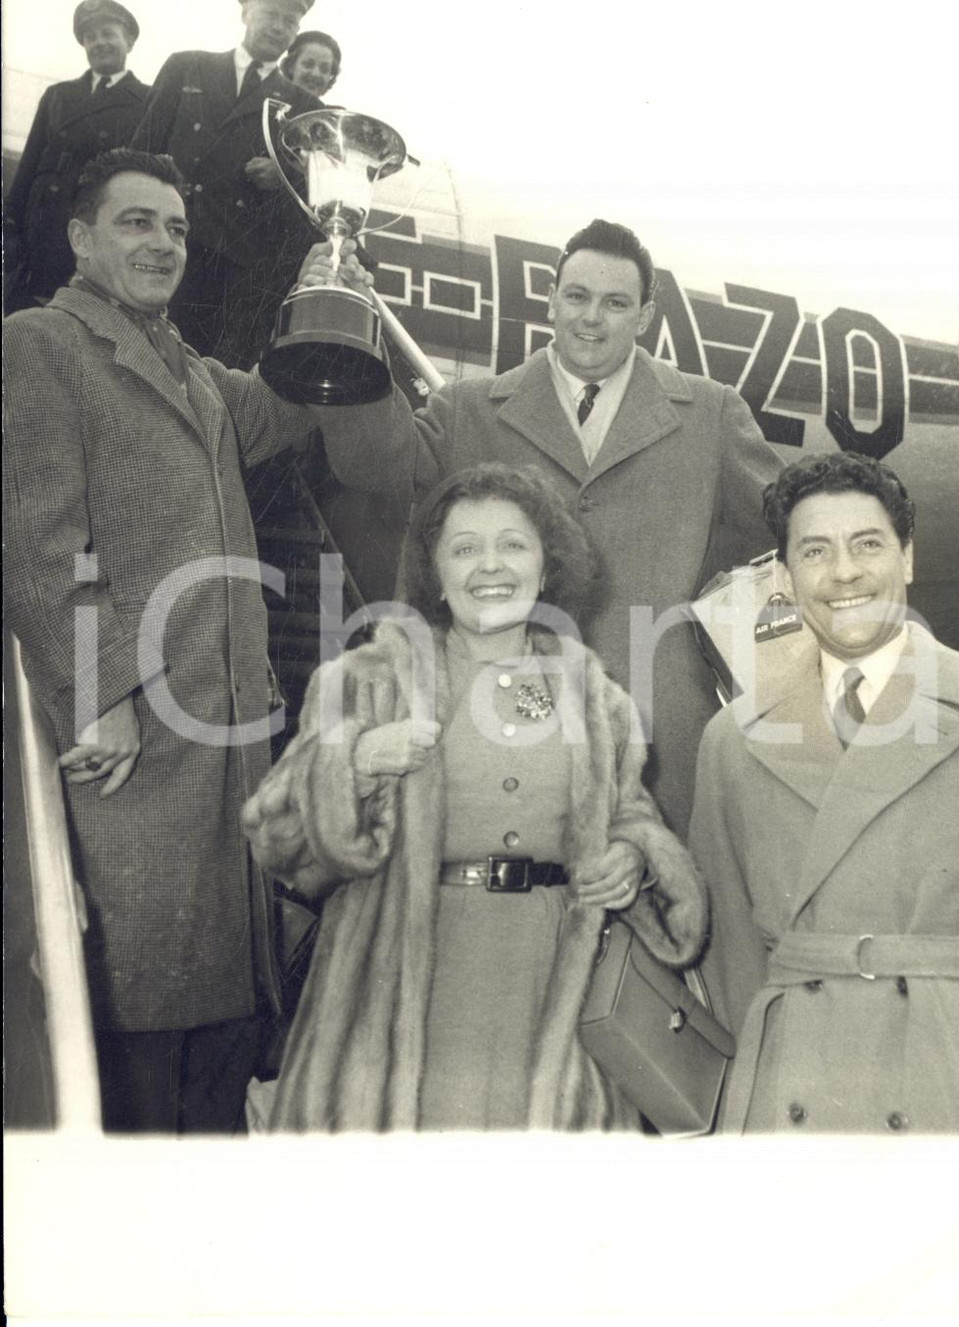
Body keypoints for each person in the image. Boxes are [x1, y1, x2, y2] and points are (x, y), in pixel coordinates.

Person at [2, 148, 337, 1134]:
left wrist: (332, 299)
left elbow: (286, 408)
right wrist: (99, 694)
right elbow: (36, 534)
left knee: (218, 1026)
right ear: (80, 238)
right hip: (130, 745)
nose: (161, 244)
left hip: (222, 748)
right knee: (132, 1026)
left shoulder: (189, 369)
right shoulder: (42, 343)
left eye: (177, 229)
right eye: (136, 222)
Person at [242, 462, 708, 1130]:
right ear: (436, 572)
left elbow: (632, 814)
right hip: (401, 1002)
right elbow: (275, 841)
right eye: (465, 548)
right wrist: (356, 761)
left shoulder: (597, 699)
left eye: (513, 544)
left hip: (553, 1000)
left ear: (547, 568)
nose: (491, 565)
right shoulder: (368, 680)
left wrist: (634, 856)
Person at [313, 218, 783, 839]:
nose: (592, 318)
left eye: (615, 303)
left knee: (651, 916)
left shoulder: (712, 413)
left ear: (644, 316)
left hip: (658, 739)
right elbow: (374, 466)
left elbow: (785, 524)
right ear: (552, 300)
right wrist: (348, 334)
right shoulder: (469, 410)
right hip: (494, 728)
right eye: (577, 297)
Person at [688, 452, 959, 1133]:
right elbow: (732, 955)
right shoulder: (731, 742)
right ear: (786, 575)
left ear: (908, 557)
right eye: (816, 550)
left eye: (868, 545)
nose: (845, 572)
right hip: (795, 1091)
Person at [130, 0, 323, 368]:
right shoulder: (187, 66)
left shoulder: (305, 106)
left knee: (198, 373)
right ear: (246, 13)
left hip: (234, 273)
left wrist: (284, 177)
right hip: (164, 242)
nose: (279, 27)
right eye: (270, 15)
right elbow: (141, 153)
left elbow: (309, 202)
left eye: (290, 21)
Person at [4, 1, 149, 312]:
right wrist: (11, 226)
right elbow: (28, 167)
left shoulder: (147, 101)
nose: (98, 43)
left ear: (130, 41)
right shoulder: (58, 96)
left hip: (87, 235)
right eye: (90, 37)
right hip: (37, 232)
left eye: (108, 34)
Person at [281, 29, 341, 98]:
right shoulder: (270, 105)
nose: (315, 74)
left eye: (324, 69)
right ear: (290, 67)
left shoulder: (333, 109)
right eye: (308, 65)